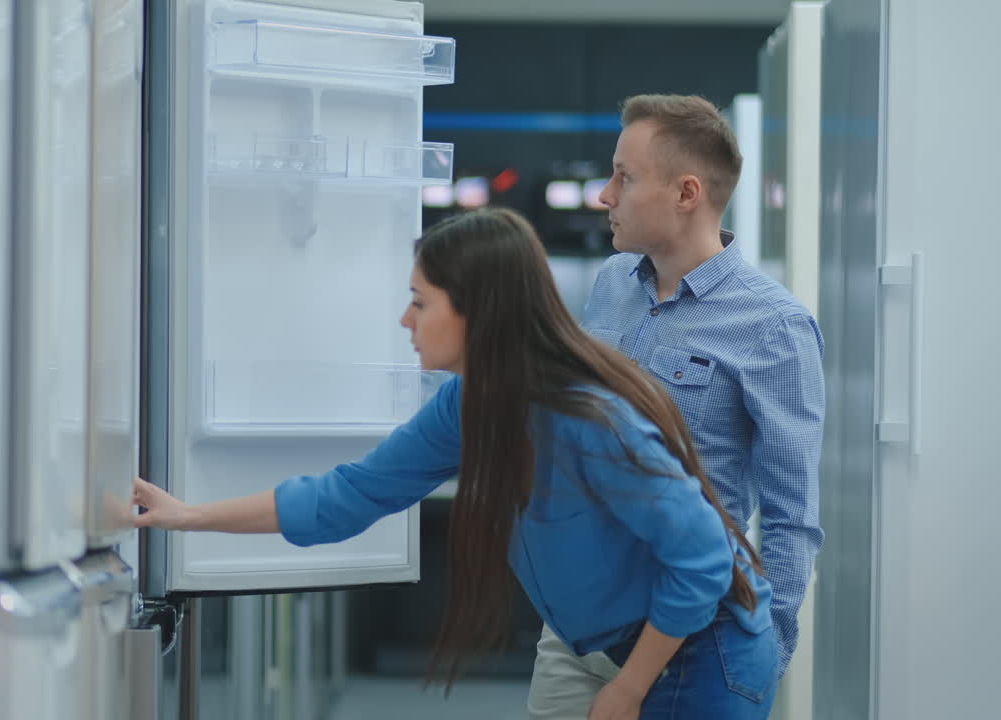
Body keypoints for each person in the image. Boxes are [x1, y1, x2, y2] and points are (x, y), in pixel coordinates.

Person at [133, 207, 779, 719]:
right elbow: (348, 496)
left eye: (420, 301)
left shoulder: (586, 420)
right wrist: (188, 516)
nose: (403, 319)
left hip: (703, 652)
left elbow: (703, 560)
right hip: (625, 644)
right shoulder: (470, 403)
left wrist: (629, 688)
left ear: (477, 313)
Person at [527, 94, 825, 718]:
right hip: (577, 629)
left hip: (692, 635)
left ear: (687, 193)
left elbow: (790, 513)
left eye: (624, 178)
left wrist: (765, 647)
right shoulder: (611, 284)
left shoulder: (774, 325)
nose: (605, 195)